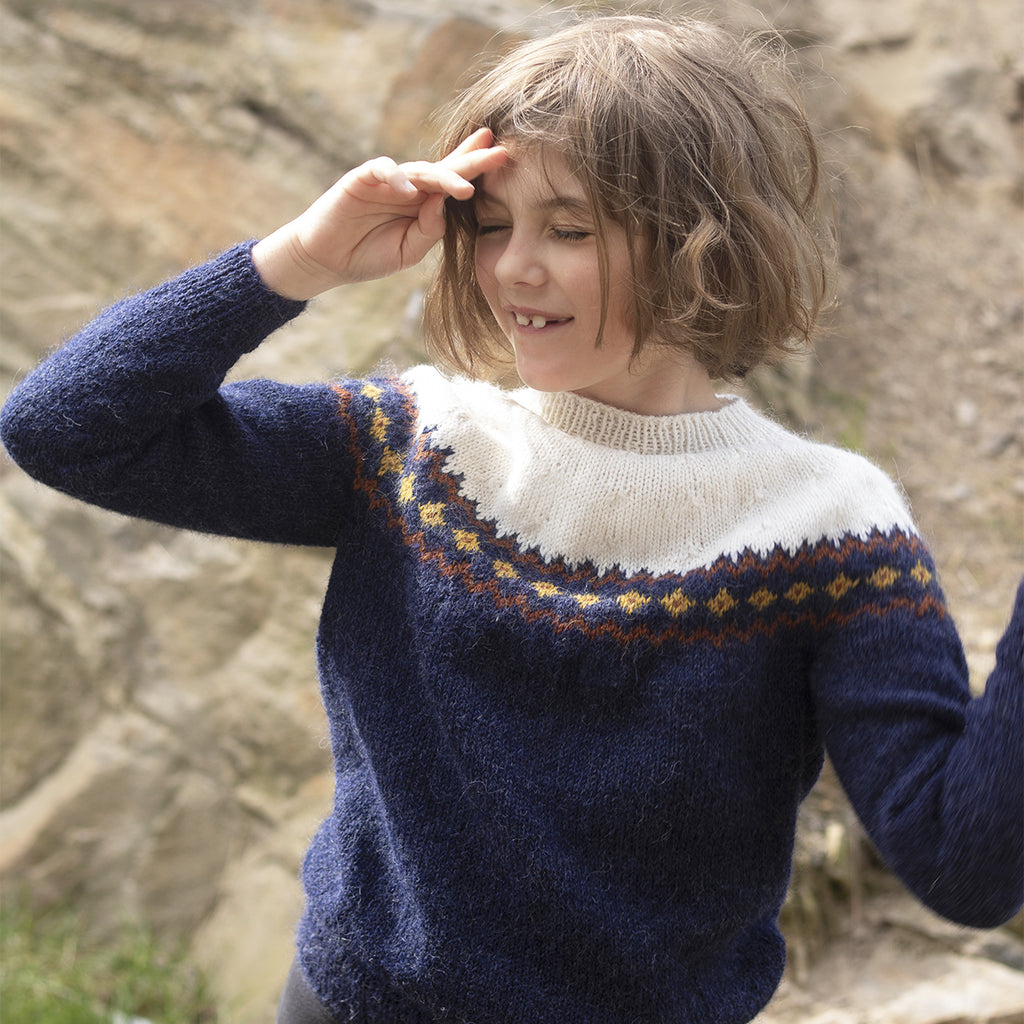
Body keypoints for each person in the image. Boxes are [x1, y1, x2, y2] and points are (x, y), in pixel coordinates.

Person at [2, 11, 1021, 1024]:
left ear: (699, 242)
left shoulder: (829, 530)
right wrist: (299, 259)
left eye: (569, 229)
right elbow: (62, 427)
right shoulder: (413, 447)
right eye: (490, 225)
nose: (512, 268)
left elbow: (964, 863)